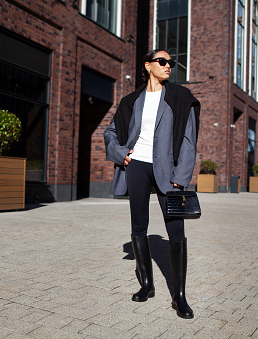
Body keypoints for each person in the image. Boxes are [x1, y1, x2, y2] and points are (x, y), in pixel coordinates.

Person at [104, 49, 200, 319]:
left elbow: (189, 142)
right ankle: (147, 284)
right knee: (139, 226)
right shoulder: (132, 100)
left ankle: (179, 296)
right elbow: (111, 132)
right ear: (148, 66)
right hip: (137, 167)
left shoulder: (180, 98)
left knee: (176, 230)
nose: (168, 65)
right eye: (162, 61)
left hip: (169, 173)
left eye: (171, 62)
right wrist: (122, 155)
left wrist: (181, 178)